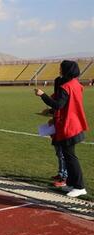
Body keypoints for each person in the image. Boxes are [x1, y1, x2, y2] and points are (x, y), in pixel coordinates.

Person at [34, 60, 89, 198]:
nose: (59, 70)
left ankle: (79, 186)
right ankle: (71, 183)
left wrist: (42, 95)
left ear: (67, 70)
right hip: (74, 123)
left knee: (70, 157)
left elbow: (58, 105)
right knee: (68, 156)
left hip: (69, 126)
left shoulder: (66, 87)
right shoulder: (76, 84)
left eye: (61, 68)